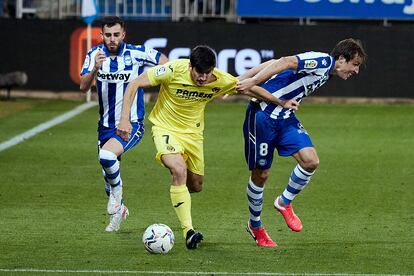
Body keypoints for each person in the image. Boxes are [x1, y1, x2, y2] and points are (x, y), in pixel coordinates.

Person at [116, 45, 298, 249]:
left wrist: (280, 102)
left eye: (207, 73)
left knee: (196, 186)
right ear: (190, 66)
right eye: (198, 73)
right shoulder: (173, 70)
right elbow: (134, 84)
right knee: (178, 169)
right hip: (165, 128)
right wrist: (124, 119)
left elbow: (249, 88)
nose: (202, 78)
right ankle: (189, 231)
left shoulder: (220, 79)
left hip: (193, 135)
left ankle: (179, 188)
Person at [236, 38, 366, 247]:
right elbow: (286, 61)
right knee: (261, 175)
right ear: (341, 59)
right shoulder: (323, 61)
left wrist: (242, 78)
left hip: (285, 116)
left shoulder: (327, 72)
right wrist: (250, 81)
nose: (356, 71)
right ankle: (256, 226)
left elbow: (275, 61)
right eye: (355, 65)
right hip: (261, 116)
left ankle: (284, 202)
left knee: (310, 161)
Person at [79, 16, 168, 233]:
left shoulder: (136, 53)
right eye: (108, 35)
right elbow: (83, 87)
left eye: (116, 35)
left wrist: (153, 79)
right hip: (105, 125)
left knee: (107, 158)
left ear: (123, 35)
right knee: (108, 176)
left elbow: (164, 60)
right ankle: (120, 211)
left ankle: (118, 197)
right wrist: (94, 70)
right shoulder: (94, 55)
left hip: (132, 124)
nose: (112, 39)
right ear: (102, 36)